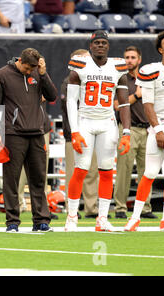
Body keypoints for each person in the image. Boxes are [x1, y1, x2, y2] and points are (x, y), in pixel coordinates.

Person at [65, 30, 132, 232]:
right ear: (91, 46)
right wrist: (74, 131)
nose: (101, 45)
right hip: (85, 121)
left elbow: (124, 103)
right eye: (97, 43)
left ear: (108, 46)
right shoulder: (80, 65)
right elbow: (70, 100)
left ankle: (102, 218)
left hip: (107, 123)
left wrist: (126, 132)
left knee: (106, 171)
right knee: (81, 169)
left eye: (104, 42)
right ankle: (72, 216)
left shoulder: (117, 67)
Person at [0, 48, 58, 232]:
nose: (29, 72)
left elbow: (52, 96)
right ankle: (12, 222)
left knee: (38, 179)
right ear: (20, 61)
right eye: (27, 68)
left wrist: (43, 74)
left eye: (32, 69)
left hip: (36, 133)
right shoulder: (2, 74)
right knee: (11, 180)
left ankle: (42, 221)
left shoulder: (38, 72)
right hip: (13, 134)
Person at [125, 31, 164, 232]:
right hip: (160, 124)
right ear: (160, 50)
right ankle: (135, 218)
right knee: (150, 172)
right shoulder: (151, 70)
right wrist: (158, 130)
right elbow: (147, 105)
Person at [113, 46, 156, 220]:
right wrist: (137, 95)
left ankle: (145, 208)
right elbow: (117, 105)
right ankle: (120, 207)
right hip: (128, 129)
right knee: (124, 169)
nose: (129, 60)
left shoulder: (148, 80)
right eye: (127, 57)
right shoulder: (121, 79)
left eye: (132, 57)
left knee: (148, 171)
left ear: (139, 60)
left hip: (148, 129)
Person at [61, 49, 100, 218]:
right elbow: (69, 108)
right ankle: (72, 209)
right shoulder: (68, 81)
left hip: (93, 133)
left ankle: (92, 208)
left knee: (92, 172)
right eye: (82, 59)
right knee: (74, 172)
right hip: (74, 134)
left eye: (88, 59)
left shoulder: (95, 80)